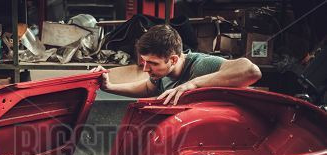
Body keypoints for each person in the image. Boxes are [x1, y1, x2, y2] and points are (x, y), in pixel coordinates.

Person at [92, 24, 262, 105]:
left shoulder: (201, 65)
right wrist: (110, 87)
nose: (145, 69)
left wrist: (193, 84)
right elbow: (148, 88)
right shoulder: (162, 75)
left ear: (173, 59)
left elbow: (251, 71)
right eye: (144, 62)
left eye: (152, 63)